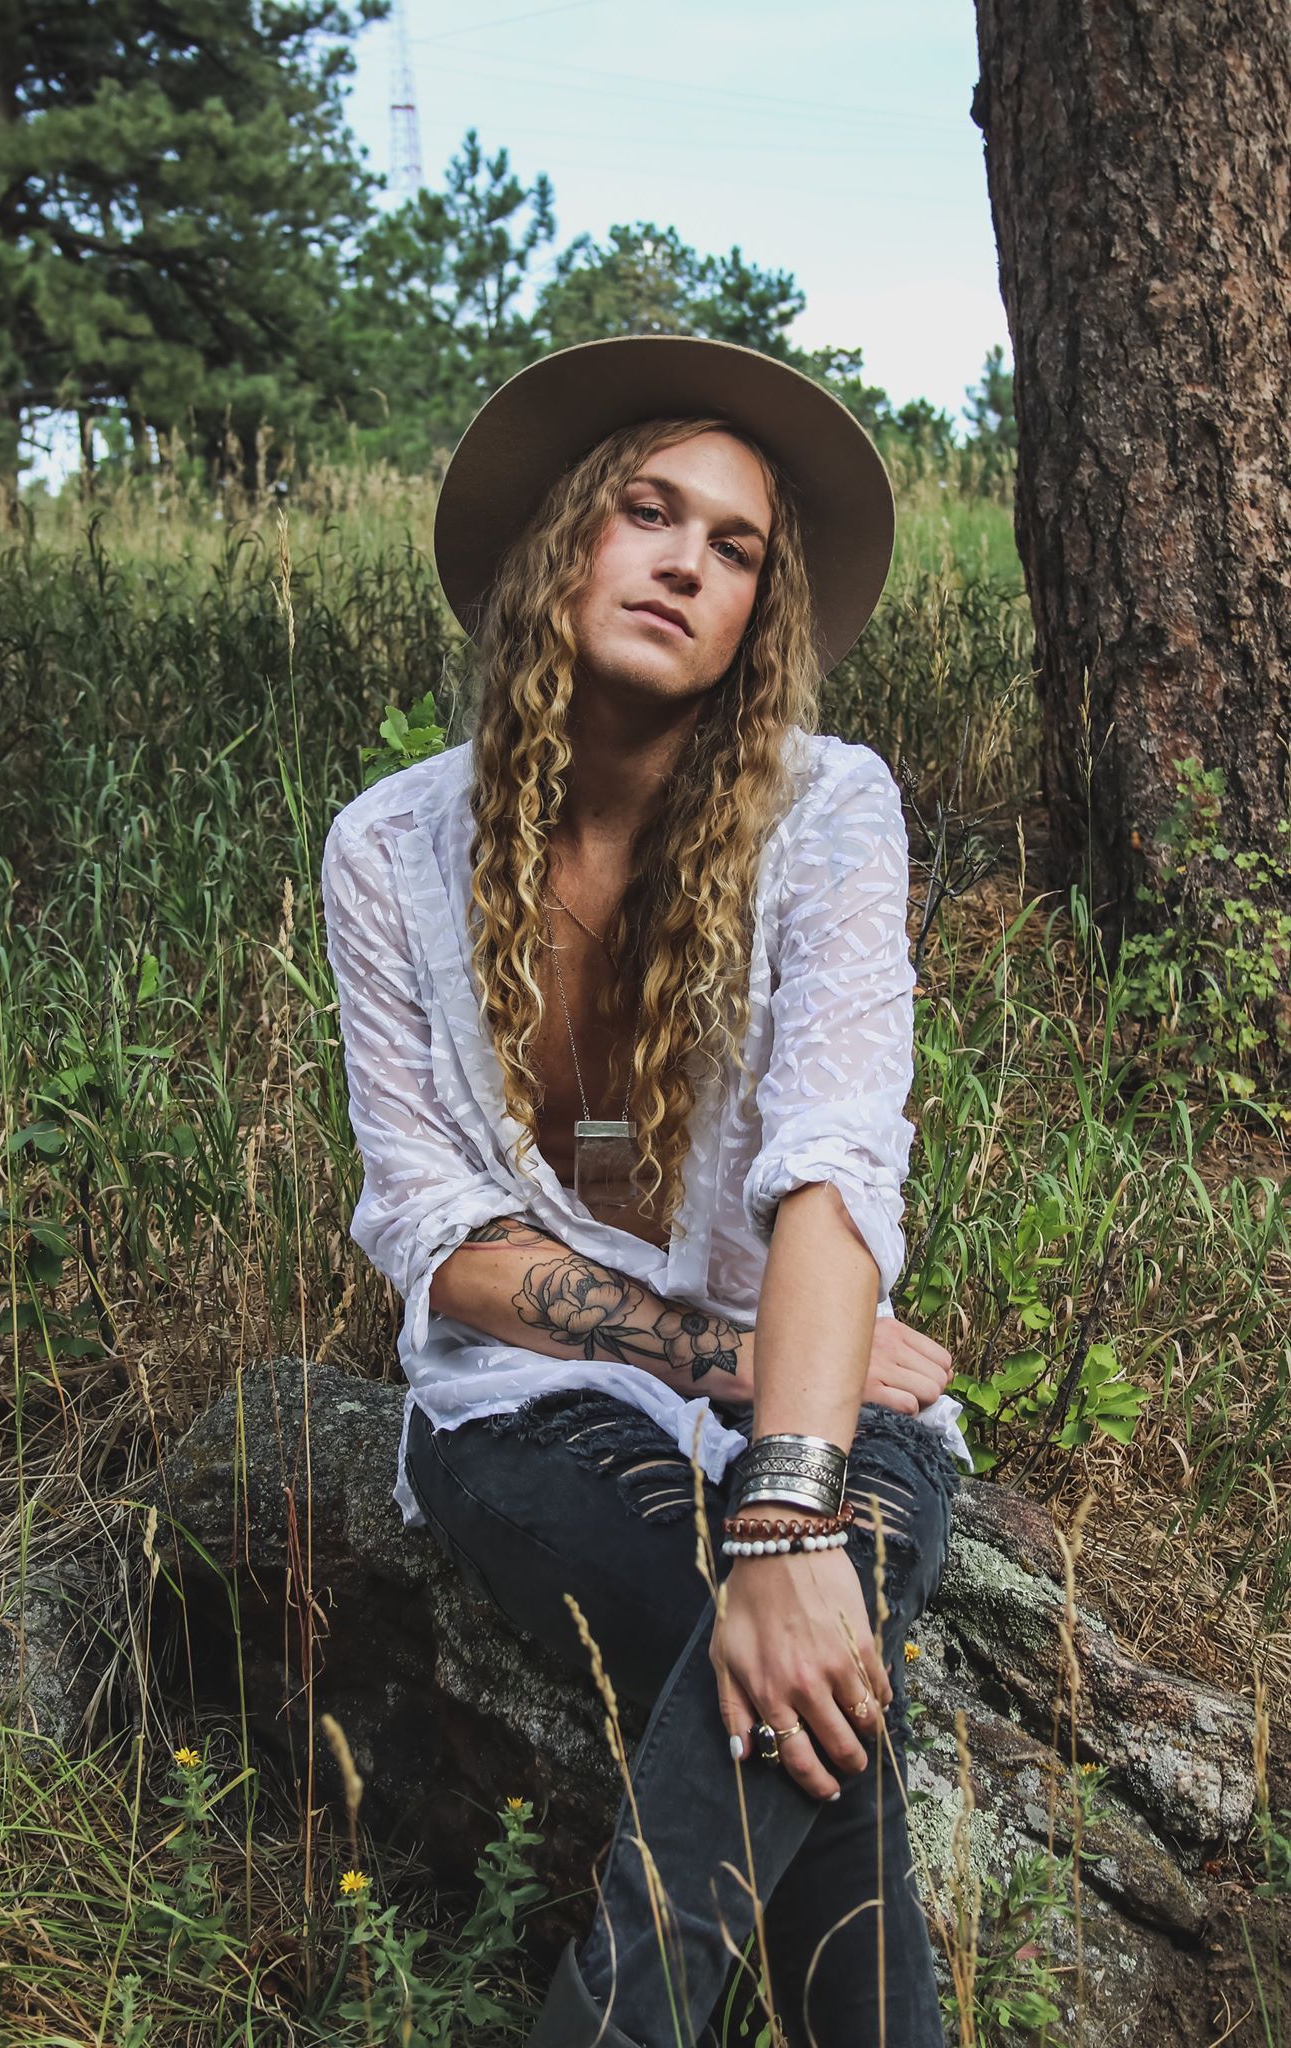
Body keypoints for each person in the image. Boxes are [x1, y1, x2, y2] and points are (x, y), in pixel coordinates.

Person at [319, 335, 974, 2048]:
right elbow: (436, 1235)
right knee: (773, 1654)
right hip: (535, 1397)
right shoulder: (388, 850)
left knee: (784, 1614)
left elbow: (837, 1164)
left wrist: (784, 1501)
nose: (687, 560)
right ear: (563, 542)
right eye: (646, 512)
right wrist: (707, 1358)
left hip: (816, 1389)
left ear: (759, 612)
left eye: (737, 546)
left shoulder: (827, 812)